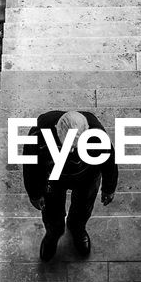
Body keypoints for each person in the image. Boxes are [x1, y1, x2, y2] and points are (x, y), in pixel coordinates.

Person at [22, 109, 118, 261]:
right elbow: (30, 165)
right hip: (52, 180)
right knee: (51, 212)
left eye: (75, 146)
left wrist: (109, 187)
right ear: (57, 130)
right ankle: (53, 234)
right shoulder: (39, 134)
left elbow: (109, 160)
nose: (72, 151)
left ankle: (77, 229)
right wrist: (34, 193)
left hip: (87, 177)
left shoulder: (97, 134)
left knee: (83, 208)